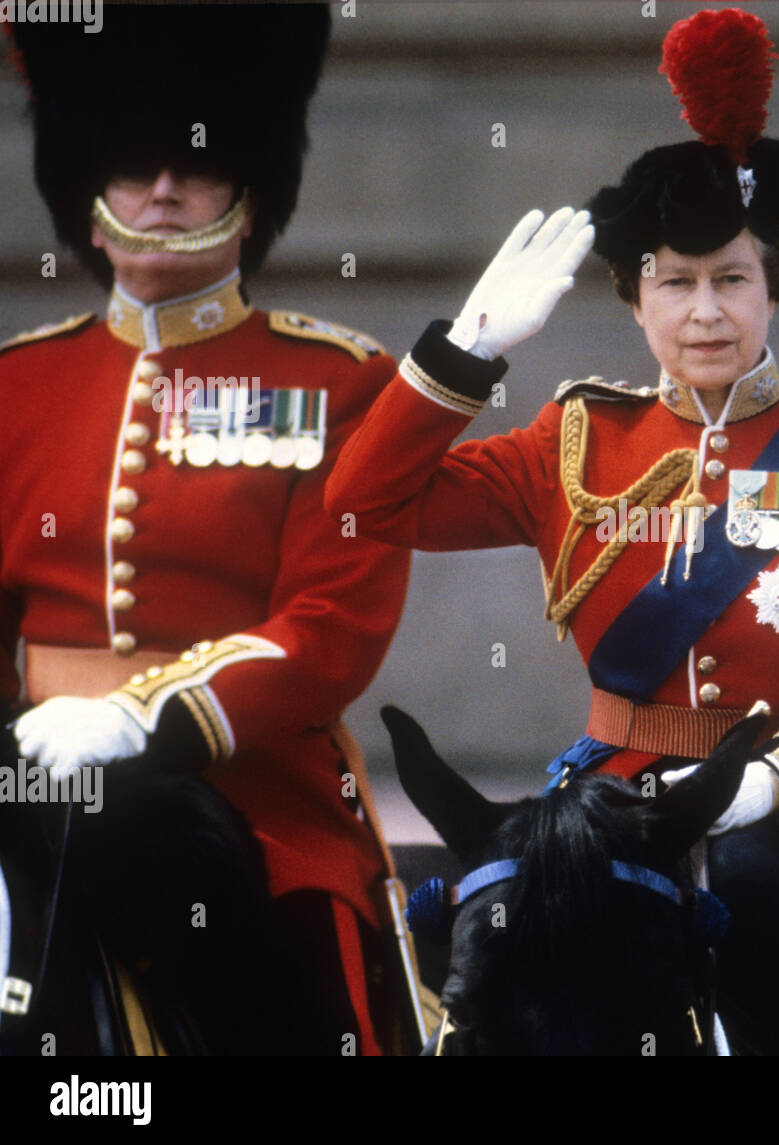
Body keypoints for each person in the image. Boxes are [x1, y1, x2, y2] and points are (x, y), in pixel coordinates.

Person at [327, 8, 779, 1054]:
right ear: (635, 302)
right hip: (608, 805)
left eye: (731, 277)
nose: (706, 311)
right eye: (674, 282)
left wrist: (771, 779)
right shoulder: (577, 436)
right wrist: (464, 354)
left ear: (774, 286)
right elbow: (361, 505)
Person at [1, 6, 412, 1054]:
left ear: (249, 194)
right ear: (89, 205)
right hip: (25, 768)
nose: (165, 190)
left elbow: (330, 629)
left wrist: (153, 721)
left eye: (197, 165)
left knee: (303, 986)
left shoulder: (336, 381)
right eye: (131, 166)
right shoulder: (18, 383)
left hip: (249, 779)